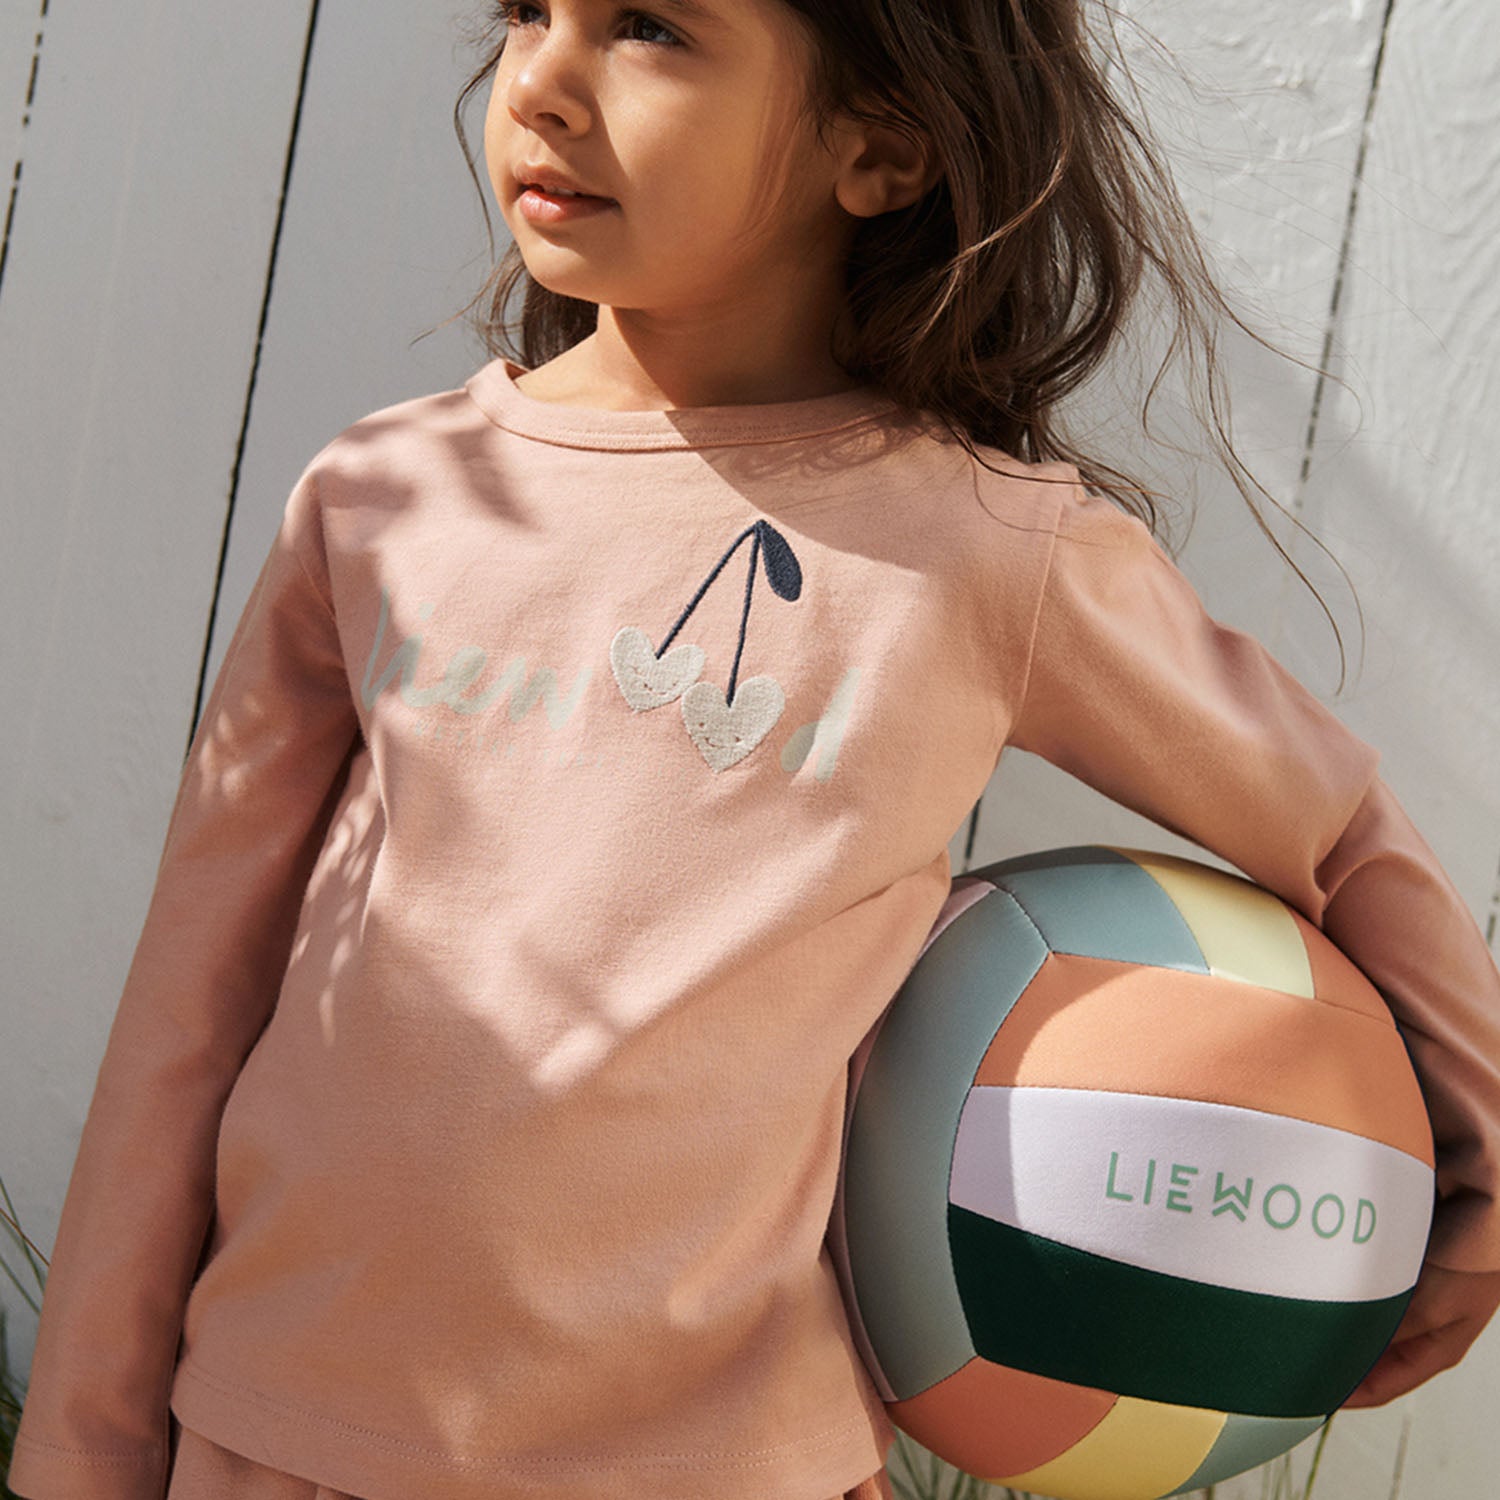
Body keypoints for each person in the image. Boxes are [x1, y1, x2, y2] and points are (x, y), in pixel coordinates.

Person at [9, 0, 1500, 1497]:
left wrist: (1485, 1163)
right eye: (529, 12)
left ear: (882, 145)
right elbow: (192, 1005)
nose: (542, 81)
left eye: (649, 28)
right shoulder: (381, 498)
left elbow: (1335, 827)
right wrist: (81, 1448)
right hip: (277, 1431)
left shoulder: (985, 552)